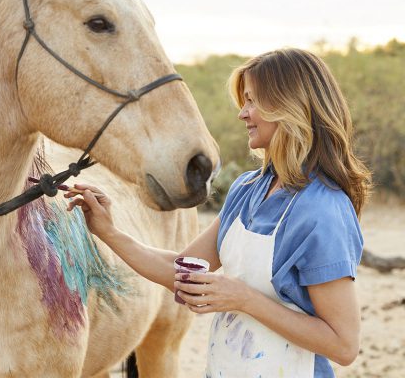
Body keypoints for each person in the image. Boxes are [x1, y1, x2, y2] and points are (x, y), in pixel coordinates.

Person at [65, 48, 371, 378]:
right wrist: (108, 230)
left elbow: (343, 344)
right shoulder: (247, 189)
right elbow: (181, 270)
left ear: (288, 106)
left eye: (252, 101)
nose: (243, 113)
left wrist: (243, 299)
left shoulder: (323, 210)